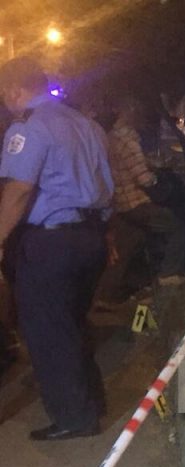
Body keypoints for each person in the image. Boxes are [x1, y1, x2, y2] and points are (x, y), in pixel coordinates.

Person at [0, 57, 113, 440]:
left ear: (14, 90)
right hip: (90, 236)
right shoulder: (87, 125)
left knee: (48, 331)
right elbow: (104, 186)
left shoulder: (30, 128)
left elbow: (18, 190)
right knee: (73, 323)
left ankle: (74, 418)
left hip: (51, 242)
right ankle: (90, 403)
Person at [102, 95, 185, 292]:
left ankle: (106, 294)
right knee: (176, 227)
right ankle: (168, 274)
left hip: (119, 202)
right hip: (135, 202)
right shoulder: (128, 140)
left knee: (126, 245)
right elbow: (142, 178)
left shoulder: (110, 137)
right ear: (130, 112)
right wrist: (158, 181)